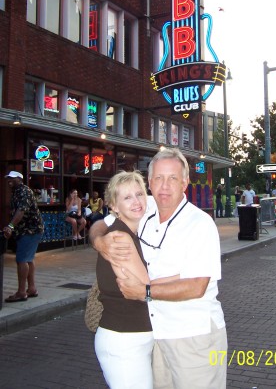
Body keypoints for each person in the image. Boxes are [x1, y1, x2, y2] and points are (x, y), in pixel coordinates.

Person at [90, 148, 227, 389]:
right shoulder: (145, 208)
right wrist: (98, 241)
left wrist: (146, 291)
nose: (165, 186)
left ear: (185, 182)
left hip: (193, 336)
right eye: (159, 178)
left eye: (173, 178)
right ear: (150, 183)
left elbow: (197, 286)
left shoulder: (199, 224)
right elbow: (104, 222)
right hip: (157, 336)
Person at [94, 171, 178, 389]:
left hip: (135, 336)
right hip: (124, 339)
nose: (136, 201)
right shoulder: (120, 238)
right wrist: (185, 274)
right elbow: (145, 290)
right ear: (113, 206)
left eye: (139, 194)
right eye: (127, 197)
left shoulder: (134, 229)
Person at [3, 171, 44, 302]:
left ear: (19, 179)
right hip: (27, 230)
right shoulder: (17, 192)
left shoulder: (23, 191)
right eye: (8, 178)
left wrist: (10, 226)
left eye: (12, 178)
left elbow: (21, 210)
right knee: (28, 259)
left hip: (30, 230)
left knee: (22, 259)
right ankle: (31, 289)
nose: (9, 180)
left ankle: (21, 292)